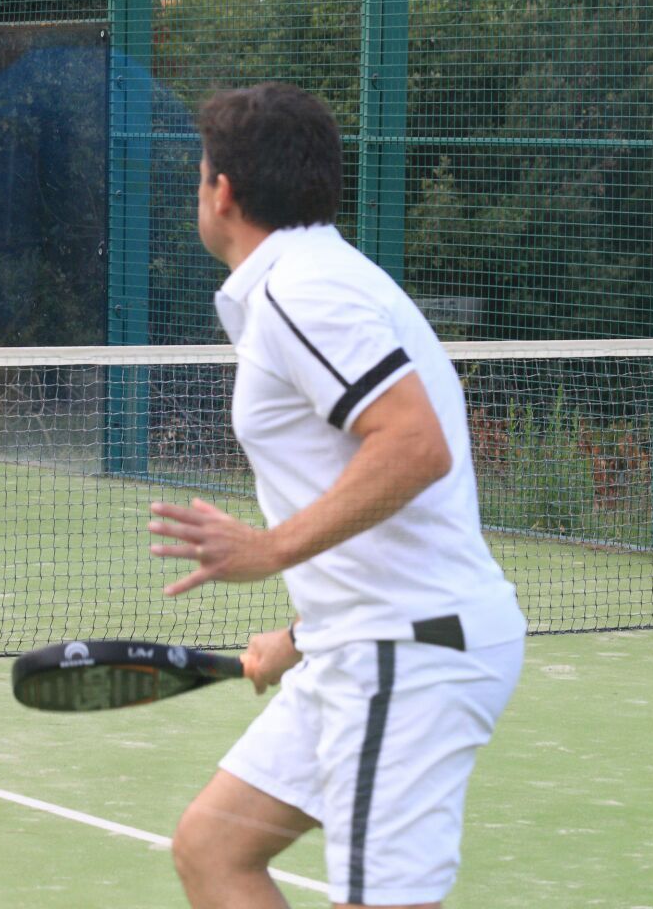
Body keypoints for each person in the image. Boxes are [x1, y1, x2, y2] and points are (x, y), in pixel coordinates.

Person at [147, 83, 527, 909]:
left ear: (225, 192)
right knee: (213, 849)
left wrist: (268, 551)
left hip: (406, 656)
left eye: (200, 175)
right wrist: (303, 633)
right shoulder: (312, 281)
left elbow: (414, 445)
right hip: (363, 642)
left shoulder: (303, 292)